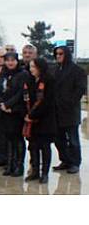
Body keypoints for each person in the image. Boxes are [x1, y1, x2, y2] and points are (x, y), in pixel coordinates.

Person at [52, 45, 87, 174]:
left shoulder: (77, 70)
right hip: (56, 111)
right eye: (56, 54)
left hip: (70, 111)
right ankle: (65, 160)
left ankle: (75, 163)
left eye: (61, 54)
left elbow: (80, 89)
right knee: (58, 138)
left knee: (73, 139)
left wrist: (70, 101)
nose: (58, 56)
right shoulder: (55, 70)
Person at [0, 52, 28, 177]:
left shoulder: (22, 74)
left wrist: (9, 105)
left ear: (16, 61)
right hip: (4, 111)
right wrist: (2, 104)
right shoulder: (2, 73)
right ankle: (10, 164)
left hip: (16, 111)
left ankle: (19, 165)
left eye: (12, 60)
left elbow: (20, 93)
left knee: (18, 139)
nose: (10, 63)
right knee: (8, 139)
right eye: (7, 60)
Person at [25, 58, 57, 184]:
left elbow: (46, 102)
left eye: (33, 67)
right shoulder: (31, 80)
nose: (31, 69)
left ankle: (44, 173)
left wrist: (33, 115)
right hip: (32, 120)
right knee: (33, 146)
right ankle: (35, 171)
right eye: (30, 67)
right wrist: (28, 114)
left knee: (44, 147)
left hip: (45, 120)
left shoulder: (49, 80)